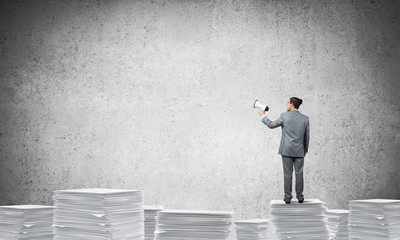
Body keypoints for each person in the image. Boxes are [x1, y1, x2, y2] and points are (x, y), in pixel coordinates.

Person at [258, 97, 310, 204]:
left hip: (286, 150)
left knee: (288, 174)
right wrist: (305, 150)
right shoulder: (305, 118)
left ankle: (287, 197)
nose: (286, 105)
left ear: (292, 104)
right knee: (299, 173)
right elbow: (307, 136)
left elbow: (271, 125)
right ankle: (300, 197)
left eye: (287, 103)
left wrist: (263, 115)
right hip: (299, 150)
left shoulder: (284, 116)